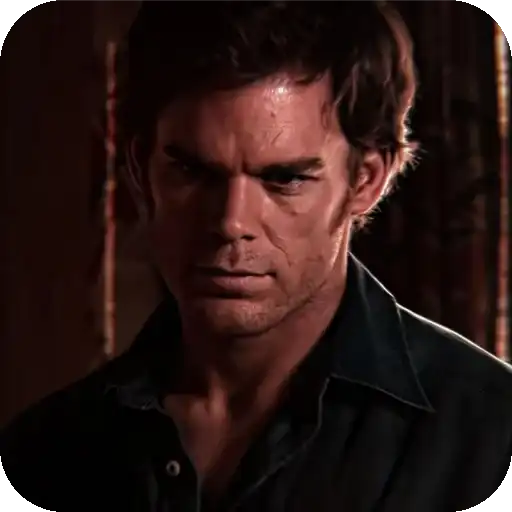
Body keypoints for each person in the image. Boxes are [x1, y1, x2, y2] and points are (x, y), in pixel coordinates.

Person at [1, 0, 511, 510]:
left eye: (284, 178)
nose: (230, 223)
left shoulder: (491, 439)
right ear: (139, 168)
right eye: (193, 172)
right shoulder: (43, 454)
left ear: (366, 181)